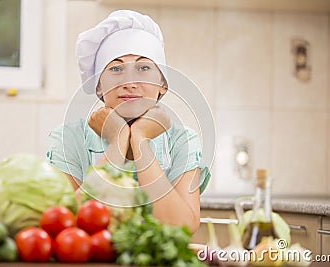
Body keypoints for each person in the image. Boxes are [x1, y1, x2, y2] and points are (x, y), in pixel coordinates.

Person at [47, 10, 210, 233]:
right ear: (98, 86)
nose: (129, 82)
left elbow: (182, 227)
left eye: (143, 68)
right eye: (115, 69)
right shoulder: (68, 139)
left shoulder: (183, 141)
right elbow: (65, 222)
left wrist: (140, 140)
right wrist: (117, 142)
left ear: (163, 83)